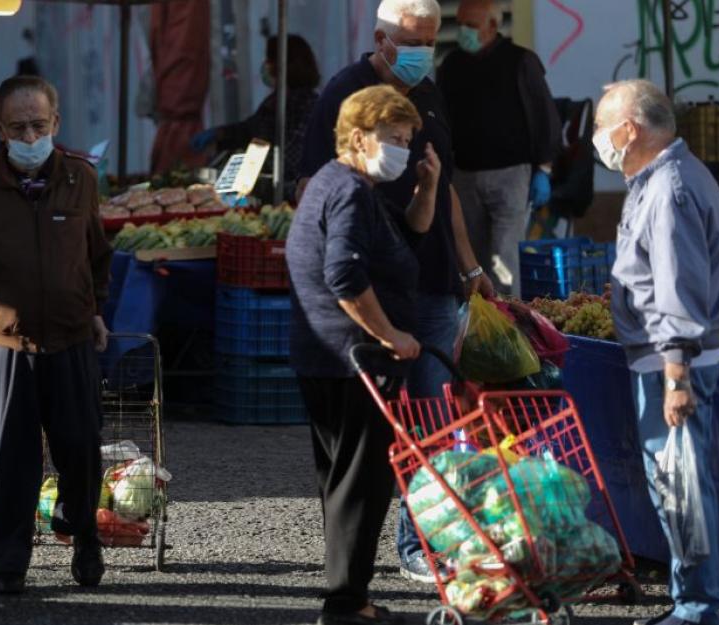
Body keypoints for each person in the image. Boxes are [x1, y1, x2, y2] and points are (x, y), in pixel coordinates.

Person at [297, 0, 493, 583]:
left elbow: (443, 189)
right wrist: (378, 324)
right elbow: (317, 209)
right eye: (411, 42)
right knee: (382, 437)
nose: (421, 54)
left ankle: (418, 543)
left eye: (431, 41)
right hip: (372, 306)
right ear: (380, 39)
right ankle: (358, 575)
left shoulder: (429, 92)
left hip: (427, 284)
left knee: (431, 419)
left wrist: (468, 266)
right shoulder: (345, 98)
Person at [287, 84, 438, 625]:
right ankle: (347, 603)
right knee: (362, 484)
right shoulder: (348, 190)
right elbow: (345, 276)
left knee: (344, 481)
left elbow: (409, 235)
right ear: (357, 137)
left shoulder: (342, 185)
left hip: (326, 355)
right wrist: (389, 334)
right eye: (394, 138)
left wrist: (429, 184)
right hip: (351, 360)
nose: (403, 147)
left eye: (407, 138)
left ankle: (349, 595)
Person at [0, 75, 113, 595]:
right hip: (5, 342)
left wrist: (95, 308)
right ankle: (8, 563)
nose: (30, 136)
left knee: (80, 449)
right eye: (18, 127)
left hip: (71, 337)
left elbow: (95, 253)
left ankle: (86, 540)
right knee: (10, 461)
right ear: (0, 129)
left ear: (57, 123)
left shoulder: (80, 178)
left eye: (39, 124)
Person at [596, 79, 719, 625]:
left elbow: (677, 287)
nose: (599, 140)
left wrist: (675, 373)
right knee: (677, 487)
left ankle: (696, 609)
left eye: (604, 126)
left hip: (670, 361)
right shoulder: (661, 178)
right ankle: (689, 603)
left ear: (631, 129)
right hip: (663, 357)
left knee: (682, 490)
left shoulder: (670, 187)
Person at [437, 0, 561, 298]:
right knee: (471, 260)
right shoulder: (451, 65)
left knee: (504, 258)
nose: (463, 31)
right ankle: (478, 325)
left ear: (493, 26)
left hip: (510, 176)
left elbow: (545, 115)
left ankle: (507, 324)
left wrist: (543, 168)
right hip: (465, 176)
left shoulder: (521, 61)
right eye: (461, 24)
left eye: (471, 25)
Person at [191, 33, 321, 184]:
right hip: (263, 188)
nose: (265, 65)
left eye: (269, 61)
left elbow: (288, 158)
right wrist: (219, 134)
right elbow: (250, 129)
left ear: (282, 65)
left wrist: (244, 164)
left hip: (292, 191)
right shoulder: (274, 101)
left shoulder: (306, 105)